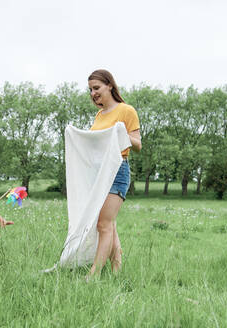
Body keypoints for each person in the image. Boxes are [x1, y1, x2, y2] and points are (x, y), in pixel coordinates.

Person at [86, 69, 142, 278]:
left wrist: (122, 133)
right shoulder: (99, 115)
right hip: (99, 172)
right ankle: (117, 270)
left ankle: (94, 273)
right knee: (110, 224)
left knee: (104, 224)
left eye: (97, 88)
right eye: (91, 89)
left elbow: (137, 145)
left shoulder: (126, 111)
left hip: (118, 169)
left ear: (110, 85)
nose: (93, 93)